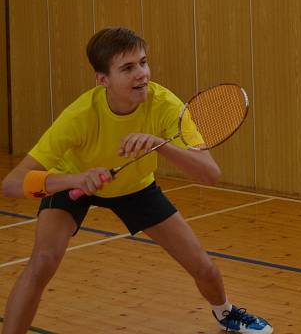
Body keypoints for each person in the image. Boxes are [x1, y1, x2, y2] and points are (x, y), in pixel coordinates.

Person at [0, 27, 271, 334]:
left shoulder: (165, 104)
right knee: (42, 262)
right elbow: (11, 183)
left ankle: (226, 314)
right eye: (128, 68)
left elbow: (210, 174)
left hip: (136, 187)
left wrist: (161, 143)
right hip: (73, 181)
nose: (141, 74)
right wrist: (76, 179)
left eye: (143, 62)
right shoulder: (79, 116)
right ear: (103, 80)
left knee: (204, 267)